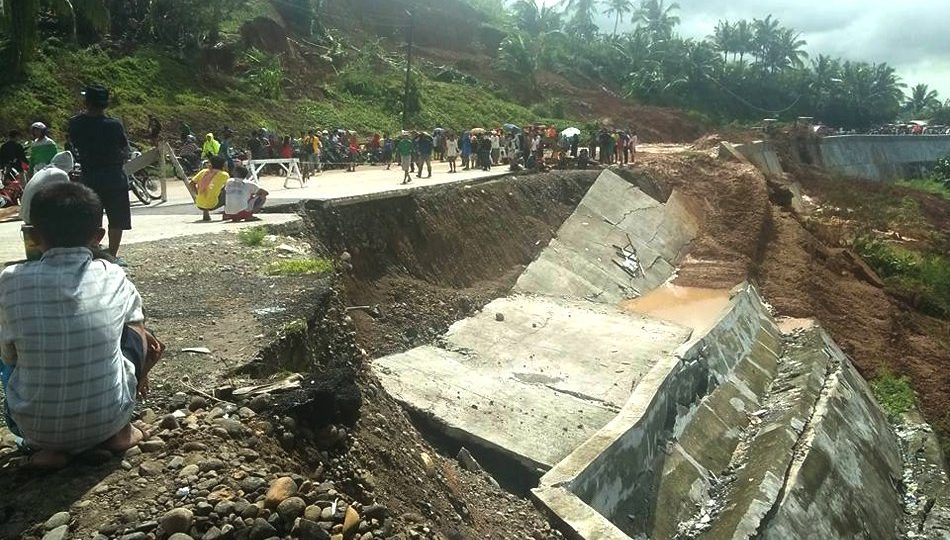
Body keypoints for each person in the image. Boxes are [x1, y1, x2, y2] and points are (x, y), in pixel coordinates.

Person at [0, 181, 164, 468]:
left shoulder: (10, 280)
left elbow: (9, 356)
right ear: (99, 236)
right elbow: (140, 333)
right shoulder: (111, 274)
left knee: (11, 353)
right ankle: (120, 432)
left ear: (33, 235)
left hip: (34, 427)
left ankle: (50, 450)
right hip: (108, 419)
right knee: (138, 329)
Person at [67, 84, 132, 258]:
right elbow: (125, 150)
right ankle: (112, 255)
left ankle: (92, 252)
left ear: (87, 102)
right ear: (105, 104)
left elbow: (73, 147)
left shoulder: (76, 123)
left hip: (89, 175)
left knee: (91, 217)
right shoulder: (114, 125)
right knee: (117, 218)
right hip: (114, 176)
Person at [19, 151, 73, 224]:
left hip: (26, 215)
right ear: (69, 166)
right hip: (35, 218)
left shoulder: (42, 171)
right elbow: (66, 199)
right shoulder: (60, 174)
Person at [189, 155, 229, 221]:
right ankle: (227, 214)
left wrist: (197, 194)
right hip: (213, 204)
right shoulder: (224, 175)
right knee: (228, 191)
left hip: (199, 204)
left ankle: (205, 213)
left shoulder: (203, 171)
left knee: (210, 191)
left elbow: (191, 184)